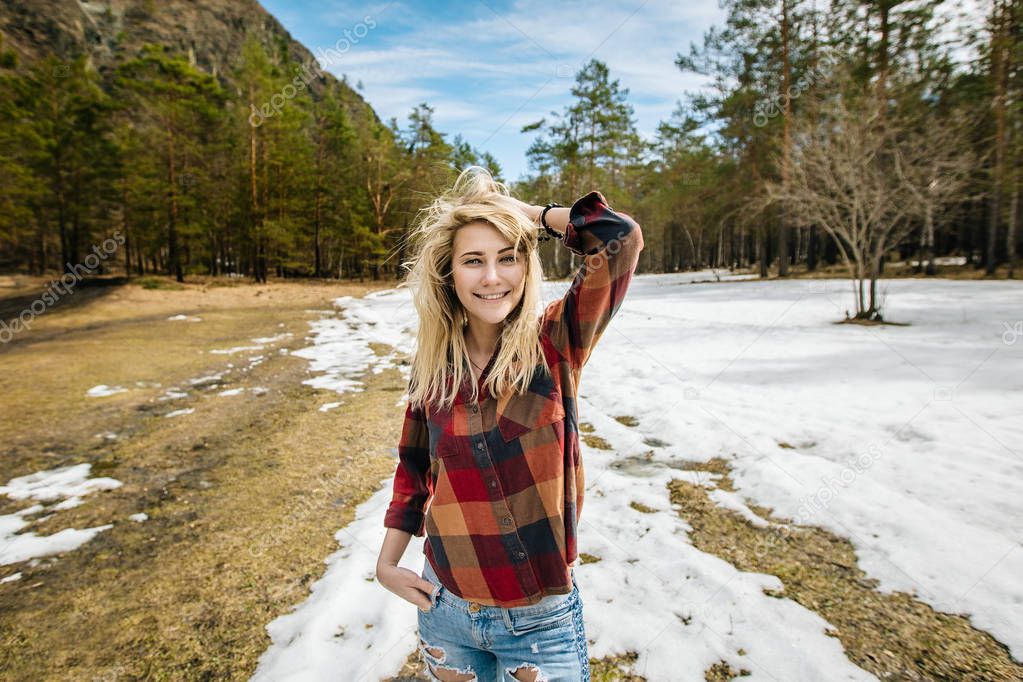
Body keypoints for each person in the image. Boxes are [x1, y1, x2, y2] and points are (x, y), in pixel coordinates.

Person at [376, 166, 644, 681]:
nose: (492, 277)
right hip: (446, 609)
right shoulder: (433, 366)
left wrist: (531, 216)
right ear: (449, 274)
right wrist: (387, 565)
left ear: (526, 266)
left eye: (508, 258)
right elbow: (413, 475)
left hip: (540, 620)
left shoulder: (556, 341)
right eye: (473, 261)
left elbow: (620, 238)